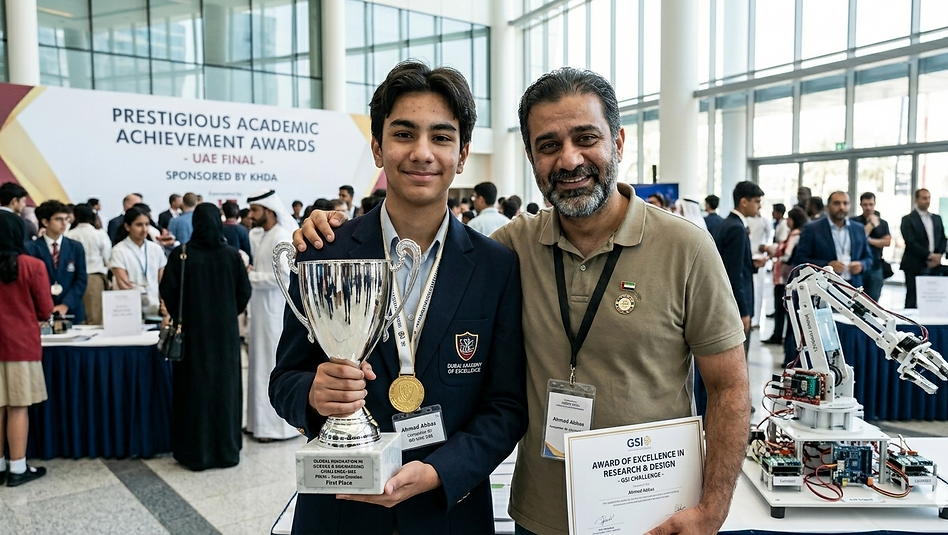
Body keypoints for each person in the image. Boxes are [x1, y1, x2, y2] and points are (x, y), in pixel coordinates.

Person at [295, 66, 750, 535]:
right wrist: (312, 393)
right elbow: (287, 375)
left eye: (585, 137)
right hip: (536, 516)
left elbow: (730, 387)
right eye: (549, 145)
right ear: (532, 158)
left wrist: (712, 510)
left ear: (617, 143)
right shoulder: (512, 250)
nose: (569, 159)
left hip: (650, 512)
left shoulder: (684, 248)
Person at [270, 60, 527, 535]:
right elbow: (284, 377)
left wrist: (439, 472)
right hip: (340, 509)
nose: (422, 153)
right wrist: (311, 393)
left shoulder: (497, 267)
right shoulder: (324, 252)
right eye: (404, 134)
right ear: (377, 147)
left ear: (463, 153)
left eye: (442, 137)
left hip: (449, 512)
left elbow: (507, 405)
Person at [160, 203, 251, 471]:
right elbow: (243, 294)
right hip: (224, 337)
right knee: (225, 391)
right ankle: (226, 451)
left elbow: (168, 290)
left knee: (194, 391)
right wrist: (226, 313)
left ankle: (194, 453)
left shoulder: (182, 254)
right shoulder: (232, 256)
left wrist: (183, 313)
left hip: (192, 335)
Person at [0, 212, 53, 486]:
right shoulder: (32, 266)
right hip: (21, 344)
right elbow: (45, 310)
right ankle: (17, 467)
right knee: (18, 407)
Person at [245, 189, 301, 442]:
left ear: (268, 211)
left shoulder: (281, 236)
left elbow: (285, 278)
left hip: (274, 311)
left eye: (255, 210)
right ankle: (258, 424)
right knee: (258, 364)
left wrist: (250, 276)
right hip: (260, 310)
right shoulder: (263, 235)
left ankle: (275, 428)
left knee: (270, 363)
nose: (251, 215)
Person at [715, 181, 766, 349]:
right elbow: (733, 273)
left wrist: (752, 264)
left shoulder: (727, 223)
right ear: (744, 202)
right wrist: (743, 311)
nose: (760, 206)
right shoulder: (736, 228)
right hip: (735, 305)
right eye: (757, 201)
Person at [792, 191, 873, 287]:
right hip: (824, 288)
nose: (841, 207)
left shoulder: (858, 228)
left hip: (853, 287)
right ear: (828, 206)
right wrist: (827, 266)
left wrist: (862, 265)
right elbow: (800, 259)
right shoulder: (812, 229)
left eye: (845, 203)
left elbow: (869, 257)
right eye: (836, 203)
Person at [26, 201, 88, 323]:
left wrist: (66, 304)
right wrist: (45, 306)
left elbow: (81, 280)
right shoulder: (30, 248)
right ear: (45, 222)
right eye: (59, 219)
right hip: (41, 312)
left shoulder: (76, 247)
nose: (64, 223)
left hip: (71, 310)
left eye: (67, 219)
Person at [109, 207, 168, 317]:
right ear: (127, 226)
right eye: (139, 225)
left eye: (147, 224)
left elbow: (163, 280)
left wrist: (164, 303)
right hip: (128, 308)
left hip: (156, 306)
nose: (144, 229)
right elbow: (123, 283)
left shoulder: (155, 249)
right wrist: (144, 295)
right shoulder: (119, 250)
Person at [763, 207, 807, 345]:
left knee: (781, 307)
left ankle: (778, 335)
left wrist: (777, 258)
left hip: (785, 277)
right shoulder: (795, 234)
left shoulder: (795, 236)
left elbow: (787, 255)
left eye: (789, 218)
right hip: (785, 276)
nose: (787, 221)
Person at [900, 188, 947, 308]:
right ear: (916, 200)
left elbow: (942, 238)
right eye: (924, 198)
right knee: (912, 297)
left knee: (932, 299)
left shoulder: (936, 218)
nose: (927, 201)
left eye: (929, 198)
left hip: (935, 265)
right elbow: (911, 242)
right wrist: (929, 256)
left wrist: (938, 255)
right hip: (914, 264)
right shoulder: (908, 219)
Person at [66, 204, 113, 324]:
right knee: (96, 318)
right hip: (94, 277)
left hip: (73, 279)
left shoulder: (69, 234)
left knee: (78, 317)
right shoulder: (99, 234)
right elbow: (107, 258)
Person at [851, 192, 892, 302]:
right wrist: (871, 225)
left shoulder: (883, 223)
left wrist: (869, 240)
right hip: (859, 264)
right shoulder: (854, 222)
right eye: (865, 204)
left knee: (873, 300)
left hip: (876, 265)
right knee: (857, 299)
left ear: (874, 204)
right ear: (861, 205)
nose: (868, 207)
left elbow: (887, 242)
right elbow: (857, 240)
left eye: (870, 204)